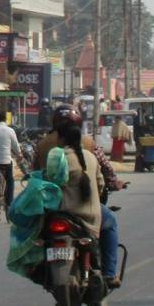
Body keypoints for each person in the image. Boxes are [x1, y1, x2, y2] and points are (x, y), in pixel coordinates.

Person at [35, 105, 124, 288]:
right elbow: (103, 176)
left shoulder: (44, 146)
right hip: (83, 213)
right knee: (110, 222)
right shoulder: (89, 148)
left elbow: (35, 177)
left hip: (52, 210)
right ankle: (109, 273)